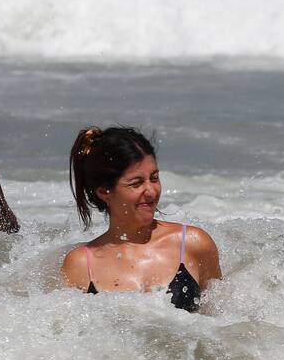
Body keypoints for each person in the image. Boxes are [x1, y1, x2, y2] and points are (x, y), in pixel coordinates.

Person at [60, 126, 221, 312]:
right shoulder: (80, 264)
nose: (151, 191)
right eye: (136, 183)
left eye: (154, 178)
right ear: (104, 192)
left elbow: (222, 322)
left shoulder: (192, 243)